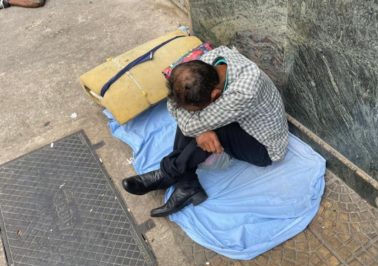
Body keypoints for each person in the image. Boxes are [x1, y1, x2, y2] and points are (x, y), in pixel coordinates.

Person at [122, 46, 289, 217]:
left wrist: (200, 128)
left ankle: (168, 175)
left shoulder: (244, 93)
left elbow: (188, 124)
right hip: (240, 121)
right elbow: (173, 103)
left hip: (264, 146)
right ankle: (187, 185)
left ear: (216, 95)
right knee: (192, 116)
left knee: (204, 125)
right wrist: (200, 128)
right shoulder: (213, 59)